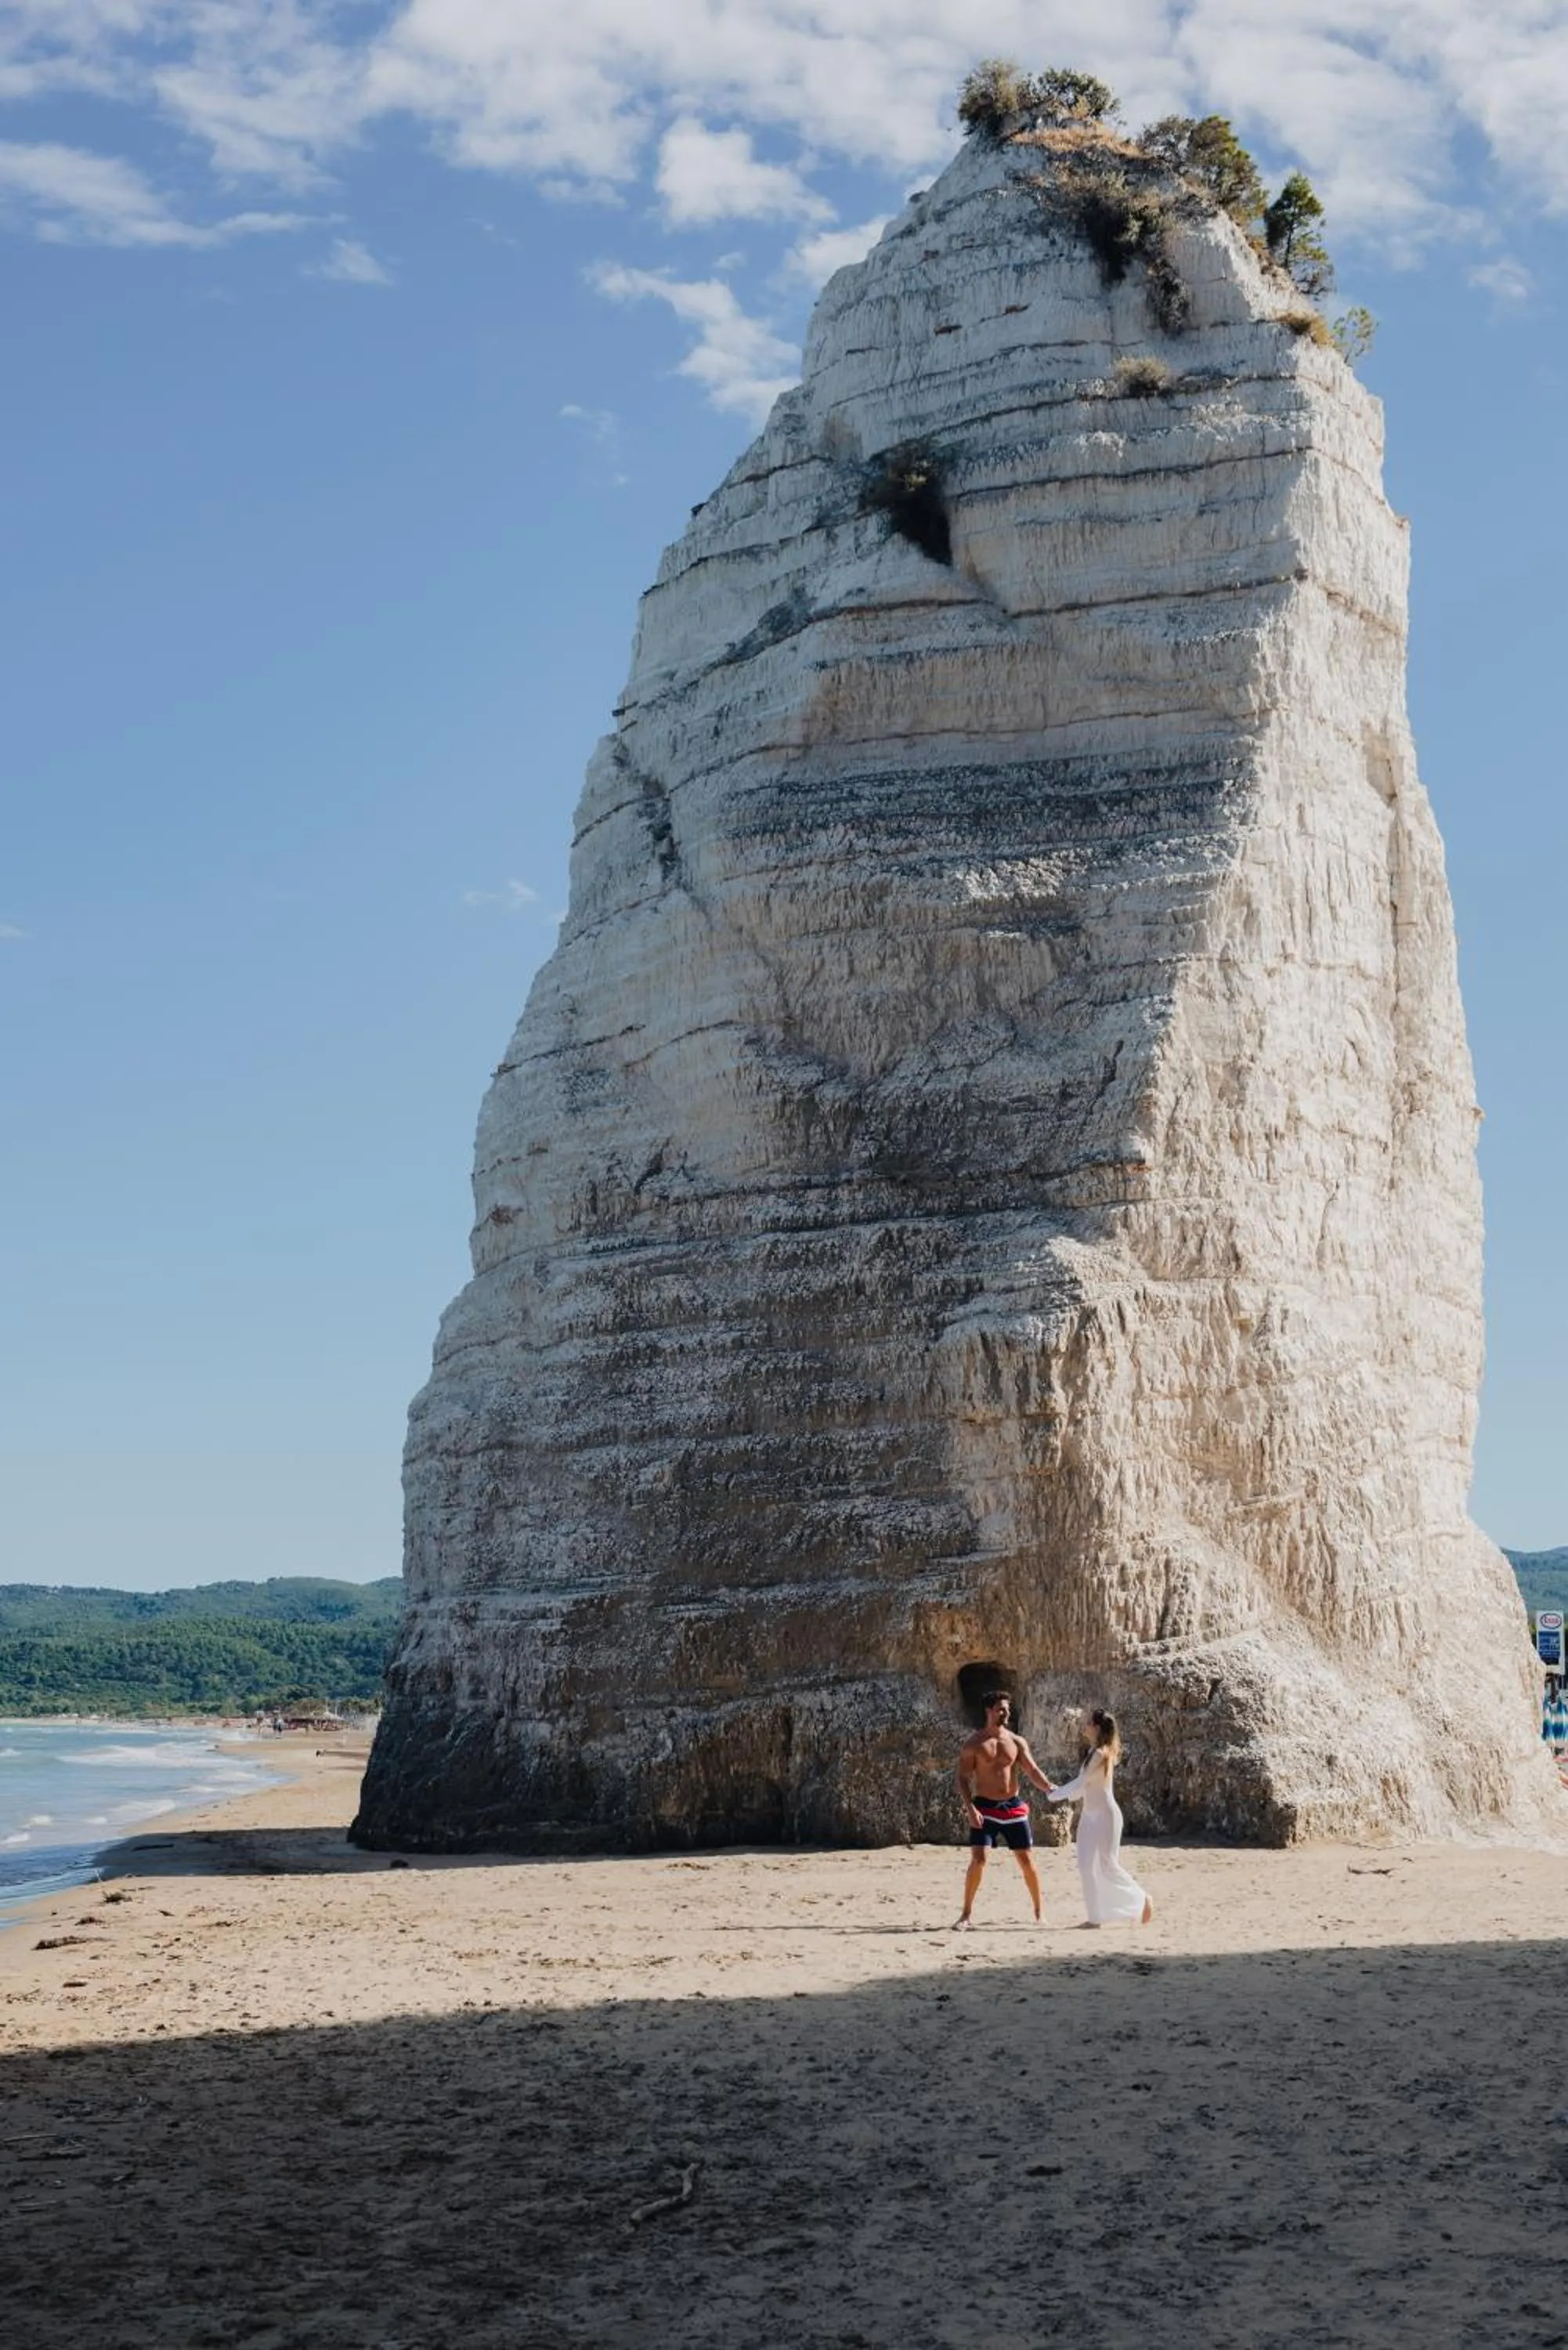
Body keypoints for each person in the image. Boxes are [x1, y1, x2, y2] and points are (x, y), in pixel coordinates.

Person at [954, 1691, 1055, 1928]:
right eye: (1001, 1709)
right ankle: (966, 1915)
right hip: (984, 1808)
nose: (1006, 1713)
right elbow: (962, 1778)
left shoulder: (1017, 1741)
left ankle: (1040, 1914)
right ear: (988, 1711)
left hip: (1013, 1808)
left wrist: (1049, 1788)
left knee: (1027, 1861)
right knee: (979, 1860)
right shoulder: (974, 1744)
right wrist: (970, 1808)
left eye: (1007, 1709)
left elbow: (1032, 1770)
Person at [1046, 1708, 1153, 1927]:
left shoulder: (1101, 1754)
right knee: (1086, 1866)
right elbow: (1082, 1788)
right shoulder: (1093, 1752)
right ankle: (1095, 1918)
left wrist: (1054, 1794)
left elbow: (1081, 1782)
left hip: (1106, 1816)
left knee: (1107, 1865)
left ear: (1096, 1727)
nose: (1084, 1726)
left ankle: (1142, 1899)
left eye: (1088, 1723)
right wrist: (1057, 1791)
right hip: (1089, 1816)